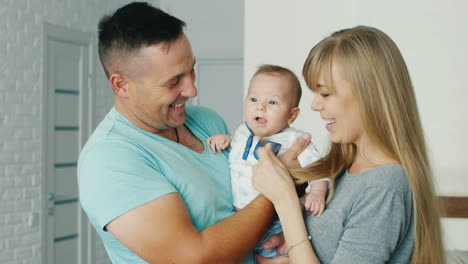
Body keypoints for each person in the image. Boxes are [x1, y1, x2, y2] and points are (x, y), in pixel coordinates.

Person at [77, 2, 308, 263]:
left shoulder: (207, 121)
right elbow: (194, 258)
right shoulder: (109, 161)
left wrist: (277, 241)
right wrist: (278, 187)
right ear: (122, 85)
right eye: (174, 81)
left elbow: (240, 213)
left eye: (191, 70)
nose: (192, 90)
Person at [252, 26, 445, 264]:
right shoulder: (345, 167)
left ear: (369, 95)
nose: (314, 105)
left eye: (325, 94)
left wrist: (286, 202)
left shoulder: (383, 187)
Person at [207, 64, 329, 257]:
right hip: (240, 218)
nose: (260, 107)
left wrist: (316, 192)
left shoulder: (294, 140)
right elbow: (239, 156)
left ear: (292, 114)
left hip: (276, 221)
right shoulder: (242, 131)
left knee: (278, 254)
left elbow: (319, 169)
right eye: (253, 99)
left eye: (272, 102)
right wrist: (226, 140)